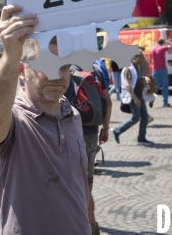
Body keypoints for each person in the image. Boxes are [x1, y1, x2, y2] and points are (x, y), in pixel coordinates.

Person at [0, 5, 89, 234]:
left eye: (64, 66)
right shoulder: (14, 120)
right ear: (22, 69)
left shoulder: (73, 116)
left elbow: (77, 188)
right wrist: (10, 56)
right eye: (45, 64)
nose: (56, 74)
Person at [64, 62, 112, 235]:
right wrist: (105, 128)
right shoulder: (97, 69)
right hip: (92, 133)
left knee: (69, 185)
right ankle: (92, 227)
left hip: (70, 132)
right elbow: (108, 101)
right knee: (87, 185)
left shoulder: (66, 69)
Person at [110, 53, 153, 146]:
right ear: (136, 58)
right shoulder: (128, 69)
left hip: (140, 96)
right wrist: (135, 99)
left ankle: (141, 138)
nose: (143, 60)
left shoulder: (137, 68)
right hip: (134, 98)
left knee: (144, 117)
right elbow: (127, 85)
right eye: (142, 58)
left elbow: (136, 79)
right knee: (135, 118)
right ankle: (117, 130)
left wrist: (144, 79)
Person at [149, 38, 172, 107]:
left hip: (154, 70)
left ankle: (152, 98)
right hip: (162, 69)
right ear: (162, 43)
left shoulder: (152, 49)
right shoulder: (162, 48)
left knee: (156, 86)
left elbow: (150, 60)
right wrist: (166, 41)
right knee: (165, 86)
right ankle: (165, 102)